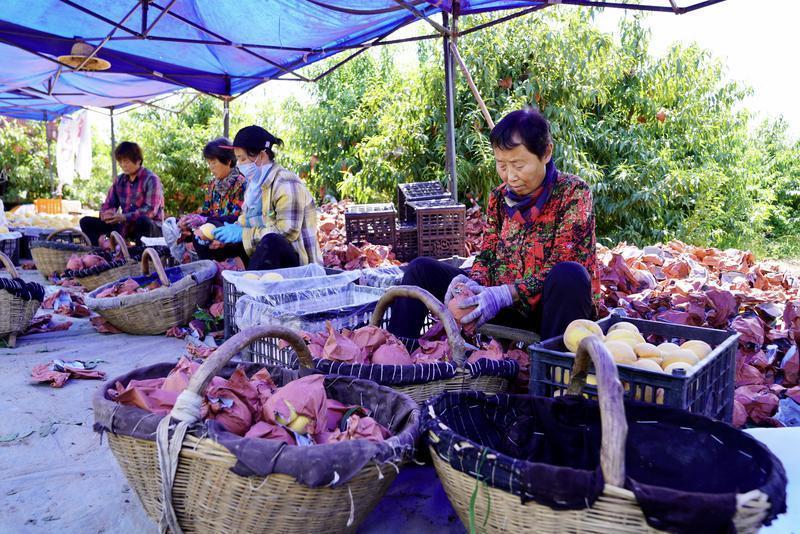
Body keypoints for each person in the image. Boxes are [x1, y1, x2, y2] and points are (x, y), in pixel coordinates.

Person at [389, 108, 599, 340]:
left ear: (546, 153)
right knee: (420, 270)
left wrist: (507, 293)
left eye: (519, 165)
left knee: (570, 274)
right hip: (503, 307)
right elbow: (488, 254)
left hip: (551, 312)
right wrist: (473, 284)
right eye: (502, 165)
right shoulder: (499, 197)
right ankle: (397, 352)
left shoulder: (573, 192)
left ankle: (550, 359)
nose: (510, 176)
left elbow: (563, 261)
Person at [211, 125, 322, 269]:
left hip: (298, 266)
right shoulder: (254, 185)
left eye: (242, 159)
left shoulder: (286, 183)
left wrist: (243, 234)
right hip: (265, 256)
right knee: (218, 244)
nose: (238, 165)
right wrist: (232, 230)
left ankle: (253, 279)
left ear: (262, 156)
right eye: (237, 159)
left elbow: (286, 232)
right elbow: (250, 220)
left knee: (272, 241)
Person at [171, 138, 246, 262]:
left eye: (214, 162)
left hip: (229, 233)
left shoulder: (241, 184)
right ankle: (186, 256)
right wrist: (191, 220)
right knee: (176, 225)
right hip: (210, 228)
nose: (211, 167)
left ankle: (211, 264)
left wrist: (205, 221)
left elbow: (236, 218)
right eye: (209, 163)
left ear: (228, 161)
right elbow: (206, 212)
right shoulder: (213, 185)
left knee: (204, 234)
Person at [80, 141, 164, 246]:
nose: (123, 165)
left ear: (138, 160)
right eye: (120, 162)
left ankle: (139, 253)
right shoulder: (119, 180)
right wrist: (107, 214)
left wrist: (125, 217)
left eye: (126, 162)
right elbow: (108, 204)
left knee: (142, 221)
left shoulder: (151, 179)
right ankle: (102, 250)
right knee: (86, 222)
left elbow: (150, 211)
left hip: (149, 227)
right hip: (125, 226)